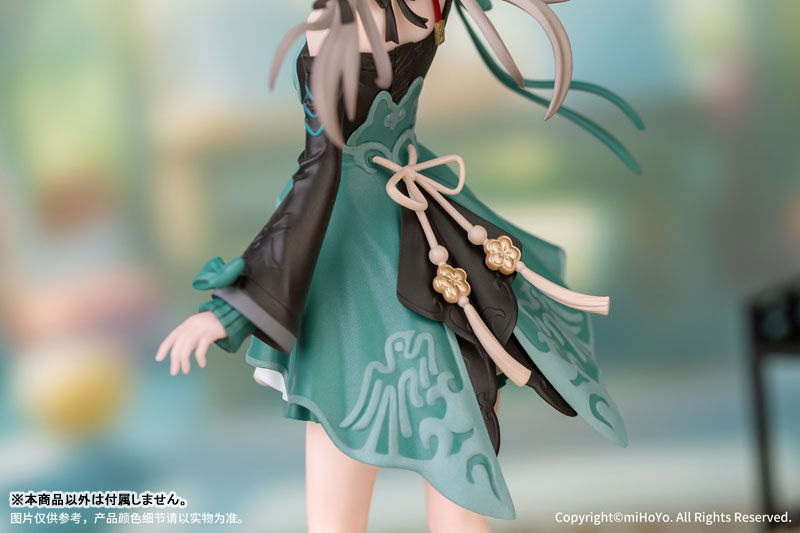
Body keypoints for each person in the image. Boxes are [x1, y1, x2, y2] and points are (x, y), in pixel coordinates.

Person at [156, 0, 642, 530]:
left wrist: (231, 312)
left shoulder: (342, 14)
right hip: (422, 217)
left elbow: (321, 170)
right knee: (456, 463)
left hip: (348, 247)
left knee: (340, 508)